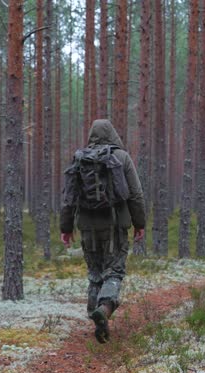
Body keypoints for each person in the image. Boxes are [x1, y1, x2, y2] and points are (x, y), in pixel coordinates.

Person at [60, 119, 146, 343]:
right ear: (113, 134)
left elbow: (68, 199)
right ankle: (104, 309)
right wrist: (140, 223)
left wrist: (66, 228)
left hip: (87, 226)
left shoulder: (79, 159)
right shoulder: (122, 158)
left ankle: (94, 312)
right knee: (114, 271)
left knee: (95, 272)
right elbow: (136, 194)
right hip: (115, 225)